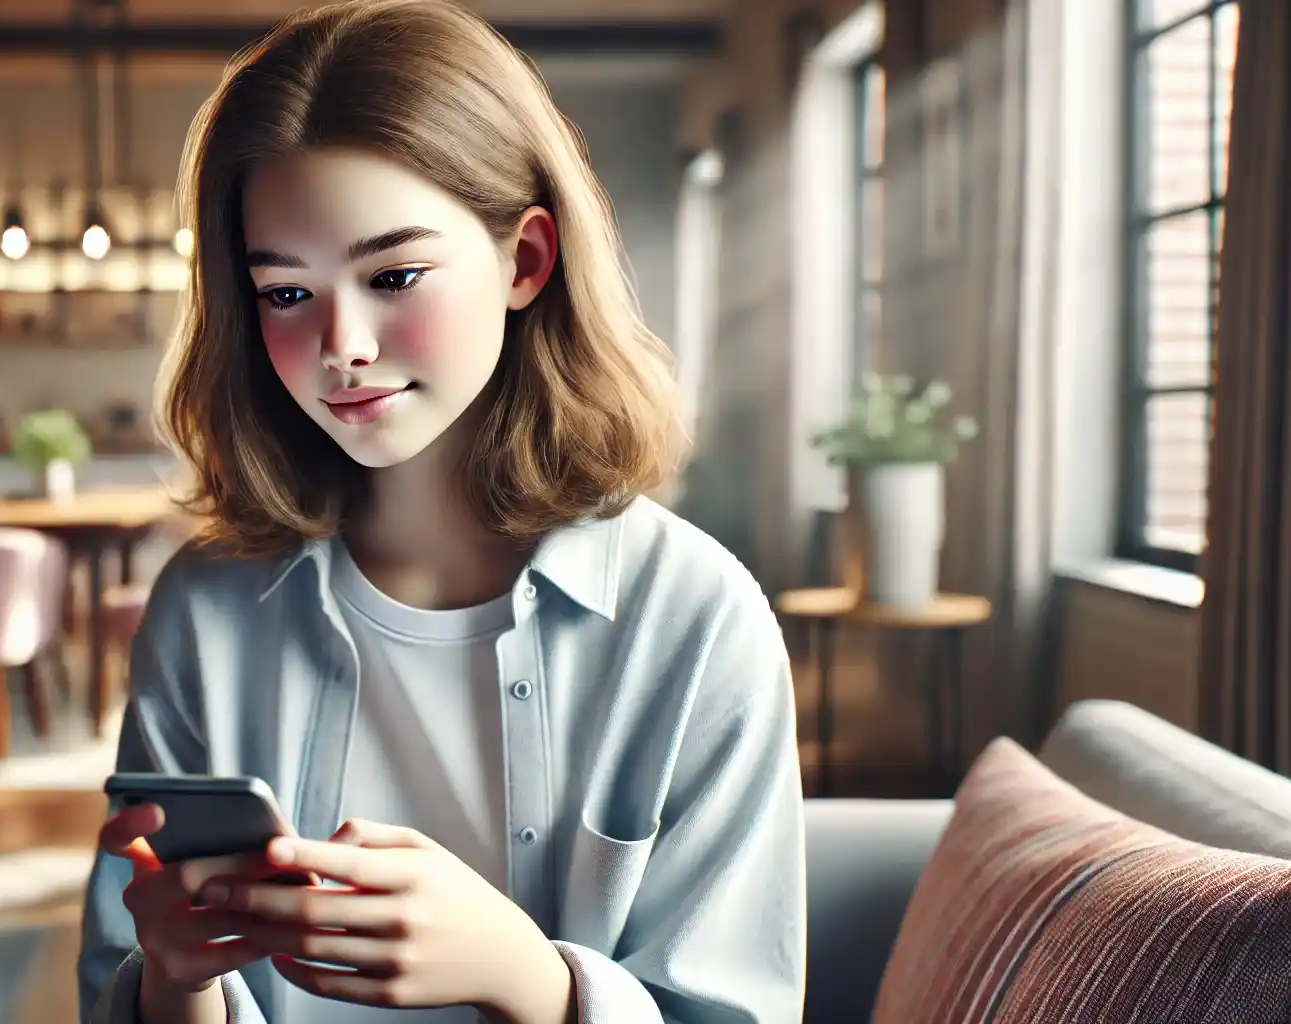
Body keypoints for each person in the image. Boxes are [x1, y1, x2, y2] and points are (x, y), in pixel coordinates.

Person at [77, 1, 805, 1021]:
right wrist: (178, 976)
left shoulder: (695, 620)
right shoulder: (204, 609)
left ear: (527, 260)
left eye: (394, 276)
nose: (343, 345)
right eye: (287, 293)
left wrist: (529, 980)